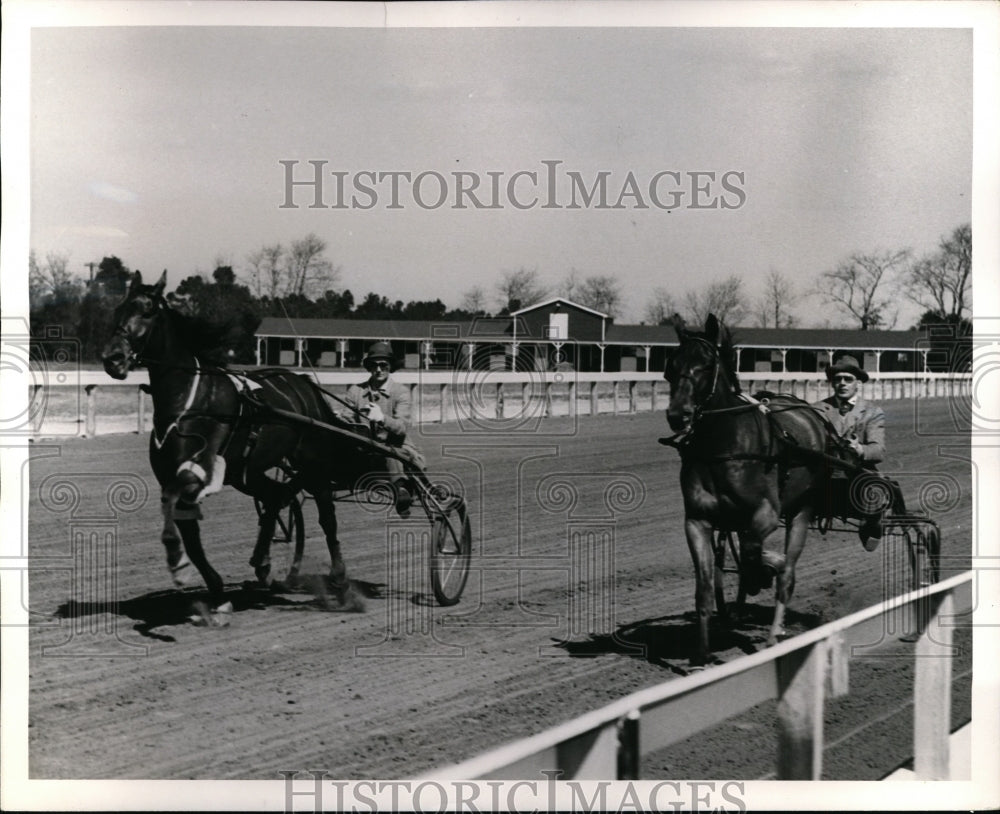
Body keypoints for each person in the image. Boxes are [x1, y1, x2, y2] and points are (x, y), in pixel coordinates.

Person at [811, 352, 888, 551]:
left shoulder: (872, 412)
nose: (842, 383)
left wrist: (860, 449)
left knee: (875, 488)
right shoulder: (817, 410)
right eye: (837, 379)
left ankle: (871, 523)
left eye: (848, 379)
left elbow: (878, 450)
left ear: (858, 383)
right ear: (832, 383)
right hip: (823, 476)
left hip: (857, 475)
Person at [341, 341, 422, 517]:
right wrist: (339, 419)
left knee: (389, 452)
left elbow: (401, 428)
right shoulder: (355, 391)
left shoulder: (401, 392)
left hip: (397, 450)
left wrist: (382, 418)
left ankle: (401, 491)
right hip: (362, 450)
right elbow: (346, 419)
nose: (378, 369)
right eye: (374, 365)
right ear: (369, 367)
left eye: (383, 365)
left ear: (390, 366)